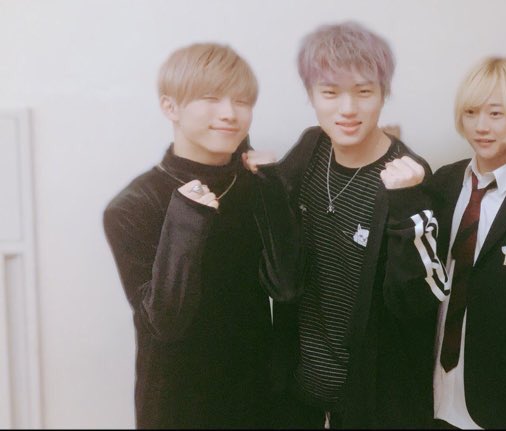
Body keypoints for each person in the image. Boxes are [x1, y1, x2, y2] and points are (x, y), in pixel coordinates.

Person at [379, 56, 506, 429]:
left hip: (505, 400)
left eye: (495, 114)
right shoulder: (442, 183)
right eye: (471, 112)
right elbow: (414, 276)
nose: (481, 127)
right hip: (432, 389)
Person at [103, 42, 297, 428]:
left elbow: (287, 286)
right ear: (170, 107)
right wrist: (187, 217)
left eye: (242, 101)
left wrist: (272, 190)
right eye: (210, 98)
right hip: (178, 405)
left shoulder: (257, 185)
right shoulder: (133, 205)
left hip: (258, 398)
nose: (229, 114)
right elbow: (166, 322)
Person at [256, 21, 434, 429]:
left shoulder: (408, 179)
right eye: (330, 92)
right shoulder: (310, 148)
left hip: (367, 403)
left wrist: (407, 209)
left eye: (364, 92)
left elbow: (415, 305)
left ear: (384, 94)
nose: (347, 109)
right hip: (298, 392)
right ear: (311, 96)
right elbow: (281, 271)